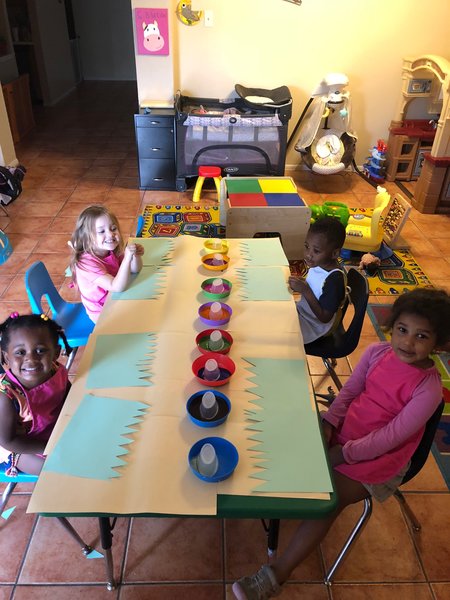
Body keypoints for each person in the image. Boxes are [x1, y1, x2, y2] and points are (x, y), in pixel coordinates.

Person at [233, 287, 450, 600]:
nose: (407, 342)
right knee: (286, 428)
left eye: (421, 336)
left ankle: (276, 574)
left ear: (438, 344)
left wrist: (341, 453)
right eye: (402, 330)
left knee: (328, 502)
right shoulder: (376, 353)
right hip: (348, 430)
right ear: (392, 326)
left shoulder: (428, 391)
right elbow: (349, 393)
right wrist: (329, 423)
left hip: (381, 459)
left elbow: (390, 438)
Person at [0, 313, 72, 476]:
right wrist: (50, 447)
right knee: (61, 469)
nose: (31, 359)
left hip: (51, 430)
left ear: (56, 353)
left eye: (40, 350)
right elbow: (7, 441)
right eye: (20, 352)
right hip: (18, 445)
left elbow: (68, 395)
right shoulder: (6, 397)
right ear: (7, 357)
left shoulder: (56, 370)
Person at [70, 205, 144, 323]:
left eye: (113, 228)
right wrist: (126, 259)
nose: (110, 234)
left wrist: (135, 256)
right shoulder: (85, 263)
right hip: (101, 312)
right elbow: (116, 287)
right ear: (87, 237)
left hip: (116, 298)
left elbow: (135, 270)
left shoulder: (110, 249)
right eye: (101, 231)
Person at [288, 216, 347, 344]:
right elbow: (316, 286)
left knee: (279, 333)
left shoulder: (334, 280)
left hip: (315, 326)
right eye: (307, 246)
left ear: (334, 254)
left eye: (316, 251)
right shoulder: (319, 264)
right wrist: (302, 282)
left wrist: (305, 290)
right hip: (304, 313)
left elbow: (324, 317)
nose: (308, 254)